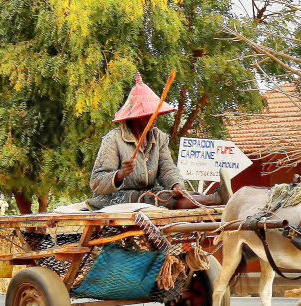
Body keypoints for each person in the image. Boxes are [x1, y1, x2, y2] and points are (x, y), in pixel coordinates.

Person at [86, 73, 231, 211]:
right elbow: (96, 182)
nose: (155, 117)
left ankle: (215, 197)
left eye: (156, 113)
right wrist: (120, 174)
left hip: (147, 193)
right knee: (167, 201)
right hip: (116, 199)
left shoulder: (158, 137)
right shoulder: (114, 139)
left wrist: (177, 185)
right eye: (150, 114)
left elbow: (167, 168)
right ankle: (217, 198)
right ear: (136, 116)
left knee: (185, 196)